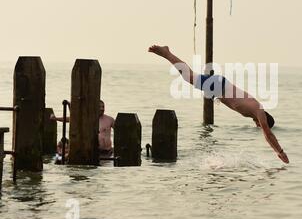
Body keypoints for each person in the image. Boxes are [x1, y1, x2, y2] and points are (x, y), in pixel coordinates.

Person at [148, 45, 289, 164]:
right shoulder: (259, 111)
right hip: (219, 85)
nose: (259, 126)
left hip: (219, 88)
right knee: (189, 76)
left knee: (189, 77)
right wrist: (280, 152)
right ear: (265, 120)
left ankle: (167, 54)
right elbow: (268, 134)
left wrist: (219, 98)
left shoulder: (255, 112)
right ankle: (167, 53)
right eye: (261, 125)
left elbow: (234, 102)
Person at [50, 100, 115, 156]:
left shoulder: (109, 119)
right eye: (99, 107)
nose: (102, 109)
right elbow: (72, 119)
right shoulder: (87, 118)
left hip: (108, 151)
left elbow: (119, 131)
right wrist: (55, 118)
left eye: (103, 107)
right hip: (92, 151)